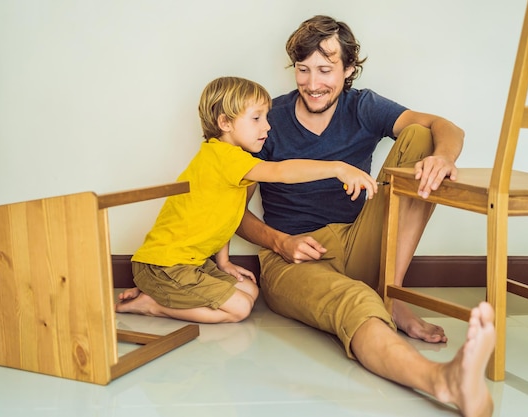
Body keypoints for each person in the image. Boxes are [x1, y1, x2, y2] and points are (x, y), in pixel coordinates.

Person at [235, 16, 495, 416]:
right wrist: (278, 242)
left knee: (422, 136)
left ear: (348, 70)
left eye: (325, 70)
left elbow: (448, 127)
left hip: (360, 238)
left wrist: (442, 158)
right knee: (355, 300)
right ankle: (442, 381)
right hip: (294, 256)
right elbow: (233, 212)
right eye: (303, 70)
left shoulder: (363, 106)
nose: (313, 83)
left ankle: (391, 292)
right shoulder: (269, 119)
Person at [115, 76, 378, 324]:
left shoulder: (232, 160)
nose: (267, 126)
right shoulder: (225, 157)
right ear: (225, 123)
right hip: (164, 265)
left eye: (265, 117)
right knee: (239, 309)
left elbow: (224, 216)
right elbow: (280, 171)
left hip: (190, 263)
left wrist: (224, 262)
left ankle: (161, 294)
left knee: (250, 291)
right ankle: (151, 304)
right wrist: (337, 168)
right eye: (256, 118)